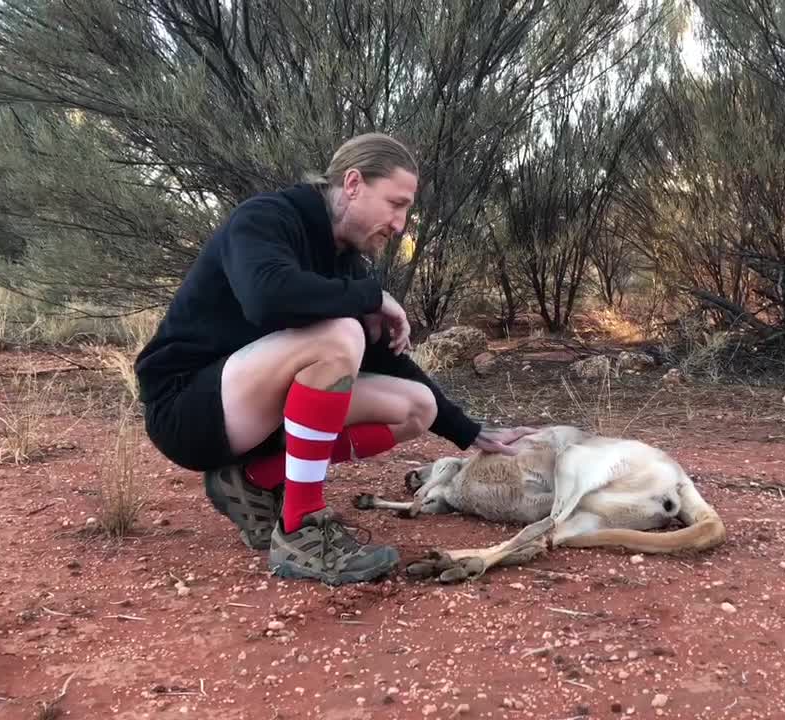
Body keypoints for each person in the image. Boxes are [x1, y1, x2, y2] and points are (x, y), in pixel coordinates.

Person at [134, 132, 534, 586]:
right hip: (187, 408)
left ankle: (253, 477)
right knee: (339, 334)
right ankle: (301, 528)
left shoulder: (346, 264)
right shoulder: (267, 218)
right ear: (352, 184)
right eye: (395, 203)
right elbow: (267, 299)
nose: (400, 224)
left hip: (248, 413)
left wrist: (470, 431)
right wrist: (368, 297)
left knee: (416, 406)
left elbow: (388, 360)